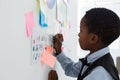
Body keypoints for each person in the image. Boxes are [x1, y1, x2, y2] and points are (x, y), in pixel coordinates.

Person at [53, 8, 120, 80]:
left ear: (93, 39)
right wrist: (59, 51)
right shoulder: (95, 58)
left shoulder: (98, 75)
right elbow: (71, 70)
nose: (78, 34)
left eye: (81, 31)